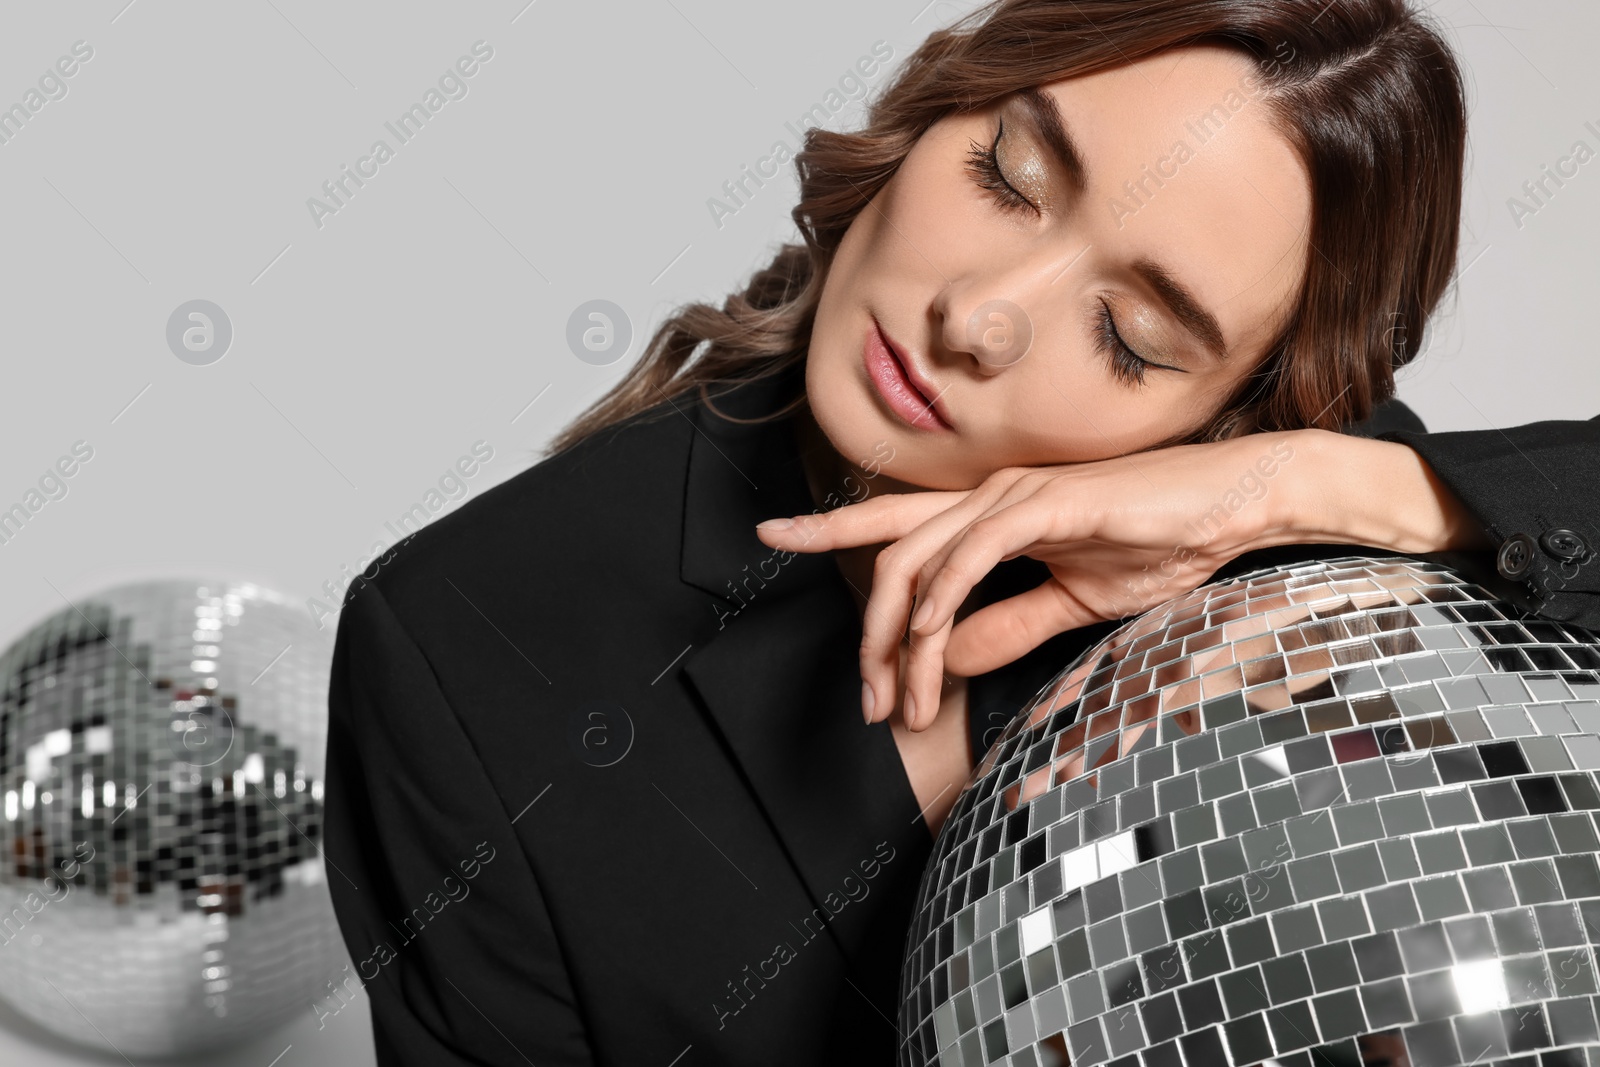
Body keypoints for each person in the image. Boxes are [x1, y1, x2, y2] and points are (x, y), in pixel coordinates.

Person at [321, 1, 1600, 1063]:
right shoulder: (465, 650)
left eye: (1133, 338)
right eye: (1007, 176)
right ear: (944, 104)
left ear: (1242, 408)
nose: (978, 317)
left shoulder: (1328, 528)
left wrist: (1315, 492)